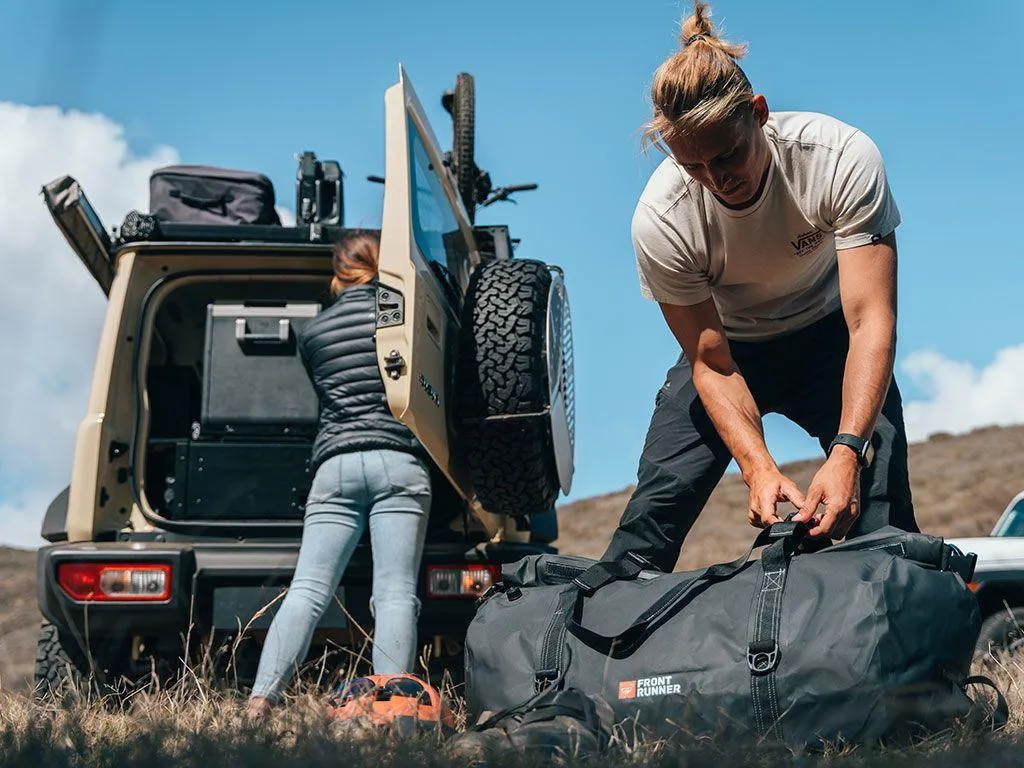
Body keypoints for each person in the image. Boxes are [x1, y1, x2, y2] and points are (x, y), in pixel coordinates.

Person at [603, 1, 918, 573]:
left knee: (881, 503)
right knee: (655, 513)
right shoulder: (661, 217)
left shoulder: (839, 158)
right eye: (694, 166)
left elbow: (871, 321)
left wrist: (848, 450)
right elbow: (711, 361)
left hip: (831, 339)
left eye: (727, 155)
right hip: (731, 352)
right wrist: (757, 467)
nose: (717, 179)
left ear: (759, 112)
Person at [247, 233, 432, 717]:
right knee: (393, 594)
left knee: (308, 590)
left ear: (339, 271)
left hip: (336, 466)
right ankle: (391, 710)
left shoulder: (315, 331)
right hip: (397, 460)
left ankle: (260, 702)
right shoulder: (399, 313)